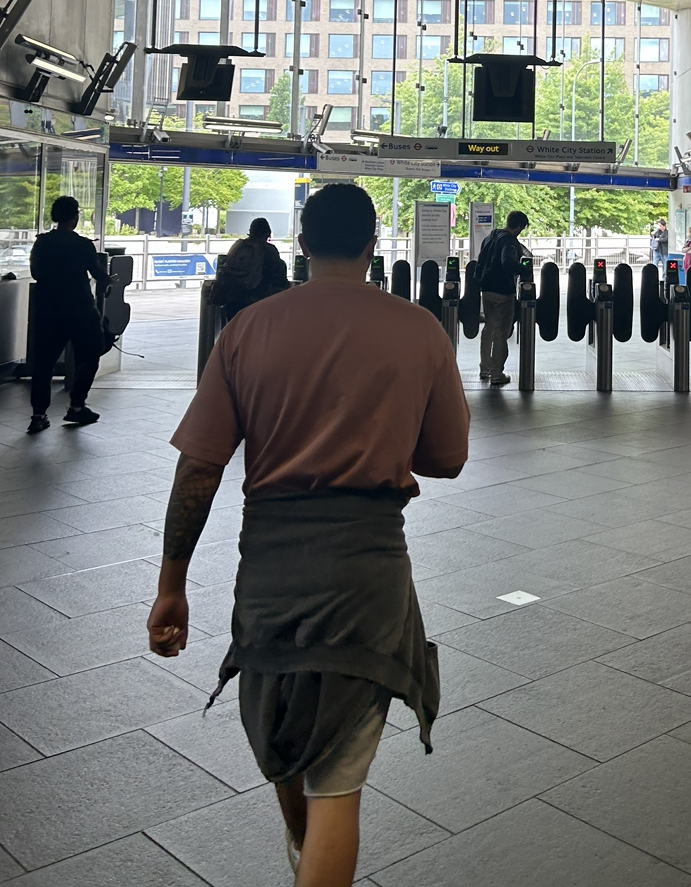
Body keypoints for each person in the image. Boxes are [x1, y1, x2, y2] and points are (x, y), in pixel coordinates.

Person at [147, 182, 469, 887]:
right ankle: (309, 847)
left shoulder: (249, 330)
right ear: (372, 245)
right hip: (367, 574)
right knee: (337, 787)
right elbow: (447, 456)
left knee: (284, 732)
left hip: (269, 572)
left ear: (300, 244)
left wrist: (171, 587)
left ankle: (302, 847)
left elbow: (200, 466)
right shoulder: (418, 329)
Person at [26, 195, 108, 435]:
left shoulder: (41, 243)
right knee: (91, 355)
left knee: (43, 364)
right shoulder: (82, 245)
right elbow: (98, 273)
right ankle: (77, 405)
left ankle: (38, 415)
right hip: (80, 310)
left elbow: (36, 272)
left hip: (47, 311)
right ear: (75, 217)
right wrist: (107, 280)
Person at [476, 209, 530, 387]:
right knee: (501, 332)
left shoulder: (490, 237)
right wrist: (524, 270)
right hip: (503, 291)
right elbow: (507, 261)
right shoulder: (509, 241)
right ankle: (497, 373)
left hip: (486, 288)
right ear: (520, 226)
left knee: (488, 328)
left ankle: (484, 368)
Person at [210, 216, 289, 320]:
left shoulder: (238, 246)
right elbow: (278, 276)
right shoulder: (269, 250)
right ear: (267, 233)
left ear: (250, 231)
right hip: (257, 301)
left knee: (235, 332)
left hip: (233, 301)